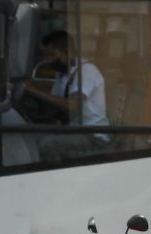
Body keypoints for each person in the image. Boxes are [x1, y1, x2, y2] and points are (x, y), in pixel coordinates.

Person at [23, 30, 110, 160]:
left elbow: (71, 105)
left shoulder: (86, 71)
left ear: (67, 52)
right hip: (74, 130)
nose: (47, 60)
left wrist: (33, 90)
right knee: (30, 137)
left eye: (52, 55)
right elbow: (54, 103)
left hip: (93, 136)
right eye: (46, 55)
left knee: (48, 144)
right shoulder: (62, 74)